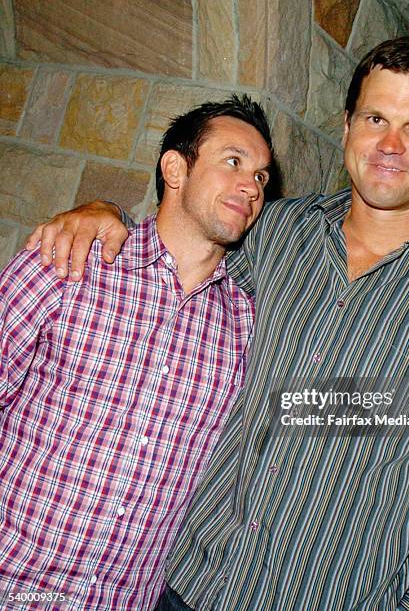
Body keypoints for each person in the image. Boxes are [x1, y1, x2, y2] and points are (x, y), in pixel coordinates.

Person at [27, 37, 409, 610]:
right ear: (346, 127)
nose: (390, 145)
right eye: (376, 118)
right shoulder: (278, 231)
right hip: (190, 587)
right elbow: (184, 248)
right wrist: (107, 214)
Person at [0, 95, 273, 609]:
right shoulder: (69, 260)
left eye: (261, 176)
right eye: (233, 161)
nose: (250, 185)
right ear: (175, 168)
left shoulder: (247, 327)